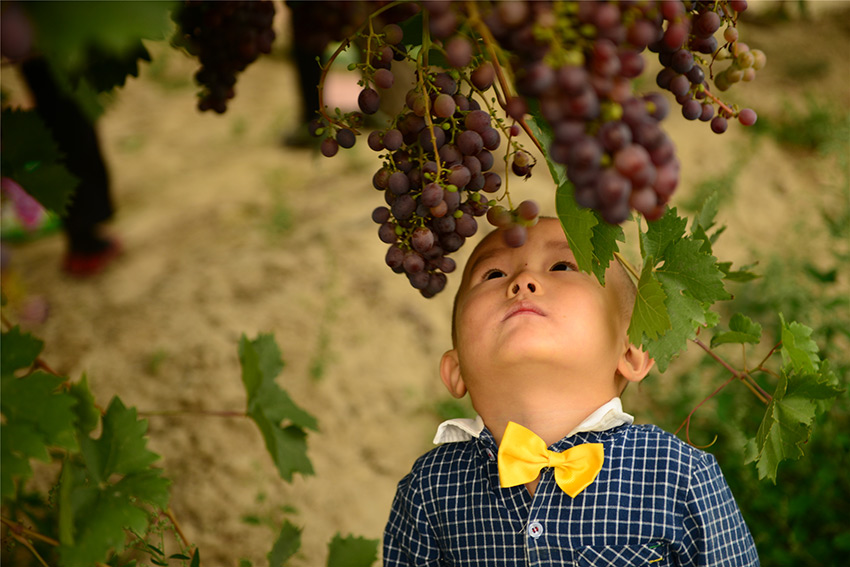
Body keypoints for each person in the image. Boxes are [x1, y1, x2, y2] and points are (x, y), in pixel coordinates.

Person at [383, 217, 759, 566]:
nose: (523, 281)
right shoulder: (430, 489)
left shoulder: (678, 475)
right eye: (493, 273)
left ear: (630, 352)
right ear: (455, 368)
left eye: (562, 267)